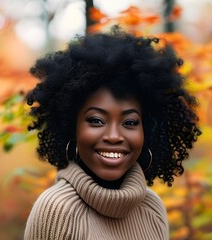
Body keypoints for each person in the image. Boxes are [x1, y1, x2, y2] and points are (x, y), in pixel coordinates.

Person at [24, 27, 201, 240]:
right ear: (72, 127)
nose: (114, 136)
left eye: (130, 122)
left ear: (148, 130)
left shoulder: (152, 208)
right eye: (96, 120)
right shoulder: (57, 210)